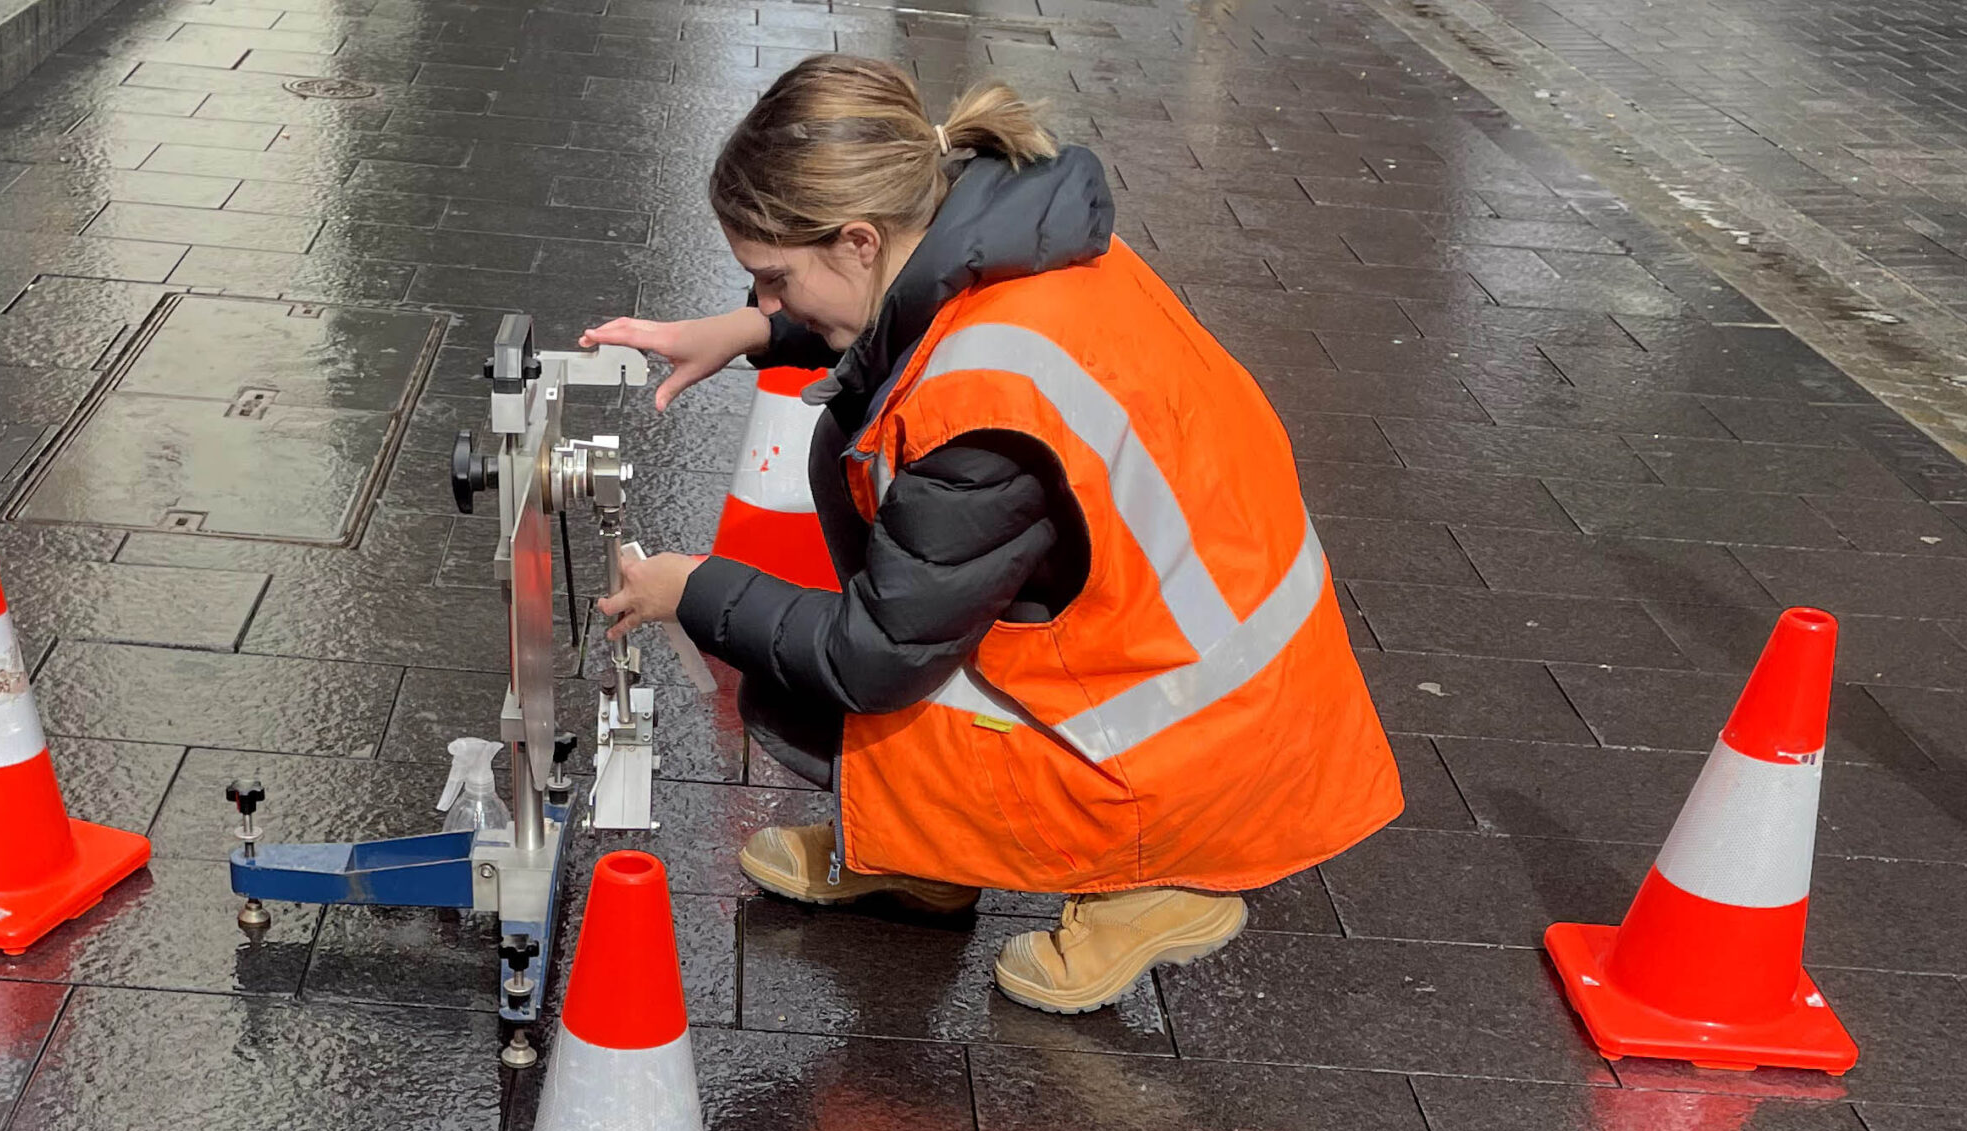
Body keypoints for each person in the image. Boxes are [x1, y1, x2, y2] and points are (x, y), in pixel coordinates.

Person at [587, 55, 1401, 1016]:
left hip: (1199, 750)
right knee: (882, 554)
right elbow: (906, 311)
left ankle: (1158, 878)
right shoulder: (1013, 237)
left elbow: (870, 659)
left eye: (772, 280)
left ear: (857, 240)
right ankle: (927, 850)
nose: (765, 301)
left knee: (811, 672)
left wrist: (695, 590)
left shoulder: (982, 411)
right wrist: (747, 333)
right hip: (1208, 671)